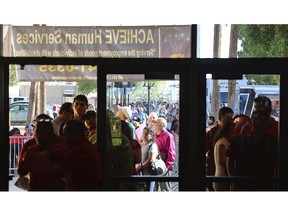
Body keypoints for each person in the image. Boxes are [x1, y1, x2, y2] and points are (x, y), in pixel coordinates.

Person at [17, 118, 68, 191]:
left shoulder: (61, 149)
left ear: (51, 134)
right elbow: (22, 172)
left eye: (43, 132)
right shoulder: (31, 151)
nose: (38, 136)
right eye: (37, 132)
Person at [63, 119, 103, 191]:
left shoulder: (79, 151)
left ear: (74, 134)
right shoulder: (86, 146)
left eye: (66, 134)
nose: (65, 138)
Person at [205, 106, 234, 191]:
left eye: (232, 119)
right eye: (228, 118)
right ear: (220, 118)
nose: (230, 121)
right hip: (213, 171)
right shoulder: (212, 132)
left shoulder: (233, 132)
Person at [153, 117, 176, 191]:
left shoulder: (168, 136)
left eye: (155, 123)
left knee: (165, 188)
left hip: (164, 165)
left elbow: (171, 152)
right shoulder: (155, 135)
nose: (154, 125)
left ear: (160, 125)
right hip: (156, 164)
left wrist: (167, 166)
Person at [135, 126, 159, 191]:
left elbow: (151, 160)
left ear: (151, 136)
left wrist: (141, 166)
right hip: (141, 173)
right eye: (143, 133)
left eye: (147, 133)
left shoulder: (152, 145)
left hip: (148, 174)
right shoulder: (141, 144)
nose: (144, 135)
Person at [212, 120, 233, 191]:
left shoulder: (222, 141)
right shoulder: (222, 142)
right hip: (222, 179)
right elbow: (222, 161)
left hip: (220, 178)